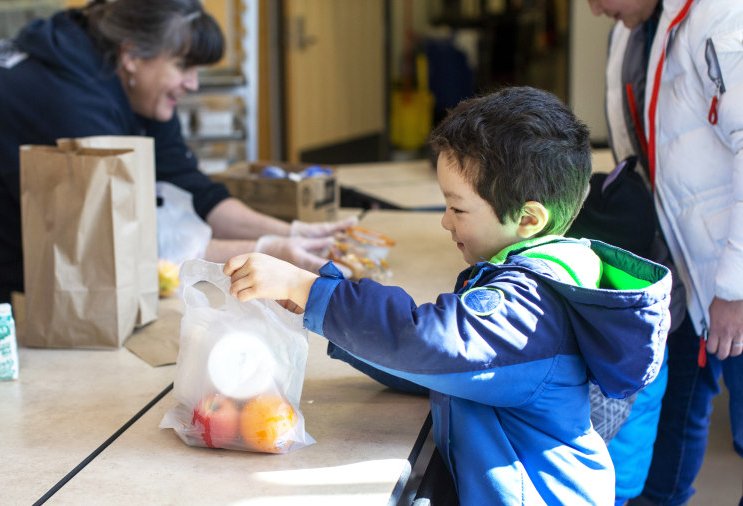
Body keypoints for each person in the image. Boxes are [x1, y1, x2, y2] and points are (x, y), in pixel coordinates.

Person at [222, 86, 673, 505]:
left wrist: (309, 289)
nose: (444, 221)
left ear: (529, 219)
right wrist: (322, 304)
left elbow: (431, 341)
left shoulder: (528, 305)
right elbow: (443, 367)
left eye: (457, 208)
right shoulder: (529, 277)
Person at [0, 0, 353, 305]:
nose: (192, 84)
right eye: (183, 66)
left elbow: (193, 187)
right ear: (132, 55)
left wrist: (294, 235)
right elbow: (119, 238)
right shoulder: (68, 102)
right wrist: (267, 252)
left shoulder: (132, 85)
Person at [588, 1, 743, 505]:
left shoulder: (721, 16)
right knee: (674, 428)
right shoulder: (632, 28)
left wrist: (735, 288)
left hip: (729, 276)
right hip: (686, 272)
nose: (593, 9)